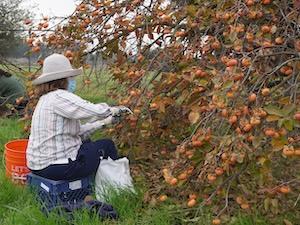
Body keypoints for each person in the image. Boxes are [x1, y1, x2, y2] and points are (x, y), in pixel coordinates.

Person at [26, 53, 131, 181]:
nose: (73, 81)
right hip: (57, 167)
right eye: (71, 77)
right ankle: (114, 183)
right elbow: (90, 109)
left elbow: (77, 132)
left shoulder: (45, 99)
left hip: (38, 166)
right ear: (63, 79)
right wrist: (113, 110)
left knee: (86, 143)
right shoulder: (59, 96)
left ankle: (94, 179)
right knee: (106, 145)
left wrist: (105, 122)